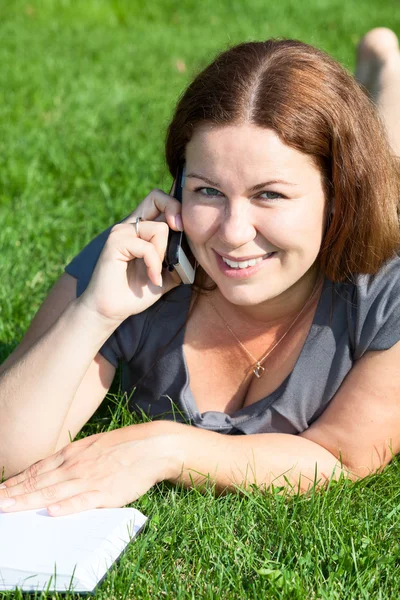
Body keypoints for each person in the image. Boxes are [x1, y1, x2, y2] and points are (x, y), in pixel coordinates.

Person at [1, 28, 400, 517]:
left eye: (269, 194)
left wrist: (166, 448)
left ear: (338, 200)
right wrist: (96, 312)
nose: (232, 233)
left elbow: (341, 455)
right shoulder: (134, 259)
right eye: (208, 191)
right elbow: (7, 452)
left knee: (391, 162)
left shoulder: (387, 294)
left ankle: (385, 72)